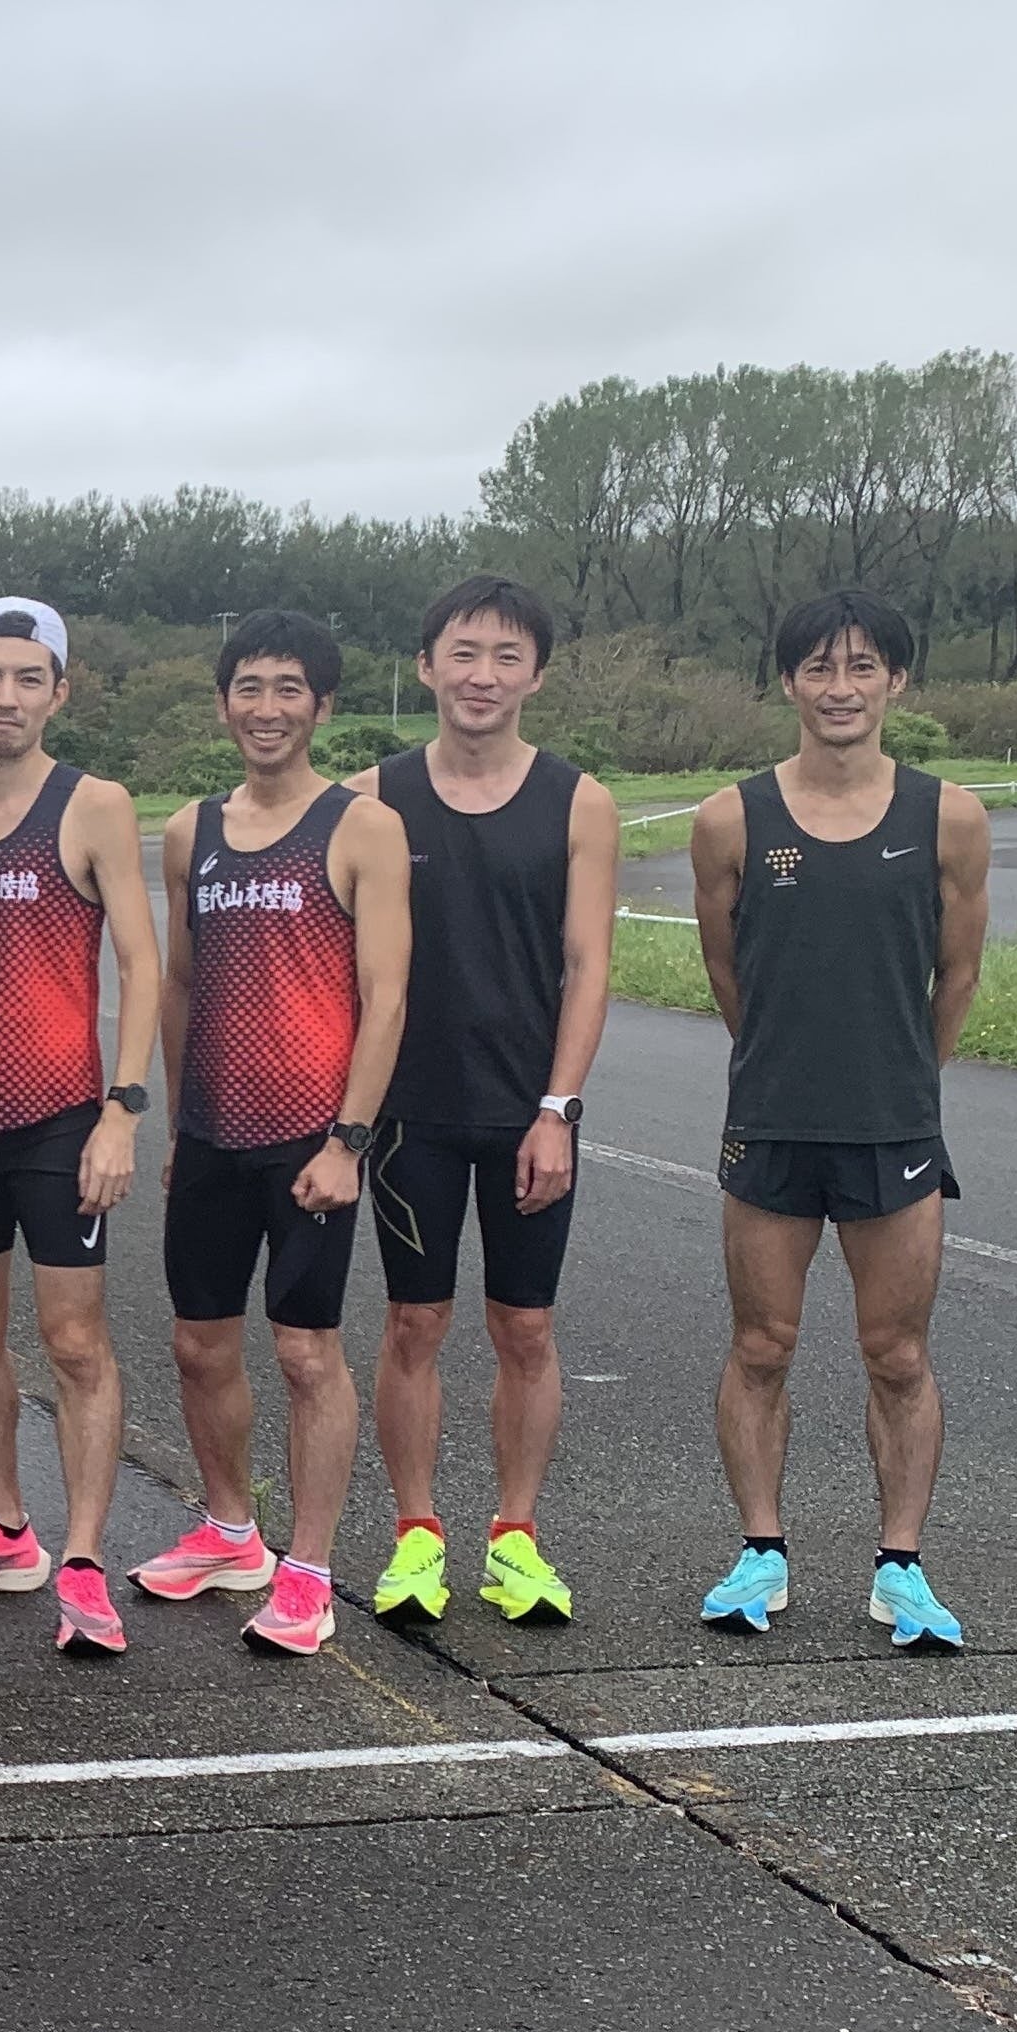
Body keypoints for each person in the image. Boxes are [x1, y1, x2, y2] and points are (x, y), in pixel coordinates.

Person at [687, 587, 992, 1649]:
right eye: (819, 667)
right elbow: (728, 974)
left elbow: (957, 974)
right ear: (788, 682)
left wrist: (902, 1078)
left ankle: (900, 1568)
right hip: (770, 1120)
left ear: (896, 680)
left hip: (893, 1126)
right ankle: (759, 1555)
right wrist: (787, 1065)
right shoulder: (729, 820)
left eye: (863, 666)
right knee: (761, 1345)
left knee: (897, 1354)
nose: (841, 687)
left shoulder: (950, 817)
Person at [133, 609, 412, 1658]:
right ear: (223, 703)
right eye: (249, 687)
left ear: (322, 706)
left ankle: (309, 1572)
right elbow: (181, 983)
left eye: (289, 688)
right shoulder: (190, 832)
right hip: (212, 1131)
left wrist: (349, 1141)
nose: (267, 707)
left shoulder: (360, 827)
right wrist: (178, 1120)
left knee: (305, 1353)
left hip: (310, 1138)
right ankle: (229, 1533)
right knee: (198, 1342)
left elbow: (386, 996)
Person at [347, 575, 618, 1629]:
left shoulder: (577, 801)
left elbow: (588, 966)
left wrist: (558, 1109)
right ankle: (417, 1534)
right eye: (463, 653)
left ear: (536, 676)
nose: (483, 675)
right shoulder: (371, 798)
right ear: (426, 666)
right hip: (408, 1112)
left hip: (525, 1111)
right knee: (414, 1319)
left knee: (526, 1327)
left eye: (508, 657)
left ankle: (515, 1537)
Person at [0, 600, 159, 1651]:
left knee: (74, 1341)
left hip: (60, 1120)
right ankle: (6, 1530)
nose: (5, 697)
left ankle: (84, 1561)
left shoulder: (92, 805)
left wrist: (122, 1111)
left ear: (58, 692)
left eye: (28, 678)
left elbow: (141, 962)